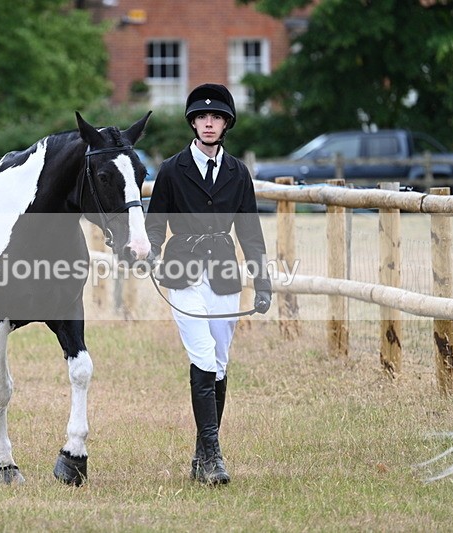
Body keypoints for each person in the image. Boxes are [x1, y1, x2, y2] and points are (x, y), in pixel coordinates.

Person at [145, 83, 272, 485]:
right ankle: (214, 455)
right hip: (183, 273)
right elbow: (155, 223)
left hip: (224, 276)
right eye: (202, 117)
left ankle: (201, 455)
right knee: (201, 356)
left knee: (219, 362)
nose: (209, 123)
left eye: (216, 117)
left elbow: (250, 232)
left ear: (226, 123)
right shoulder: (171, 169)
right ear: (193, 123)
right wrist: (149, 250)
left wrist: (263, 281)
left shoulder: (238, 173)